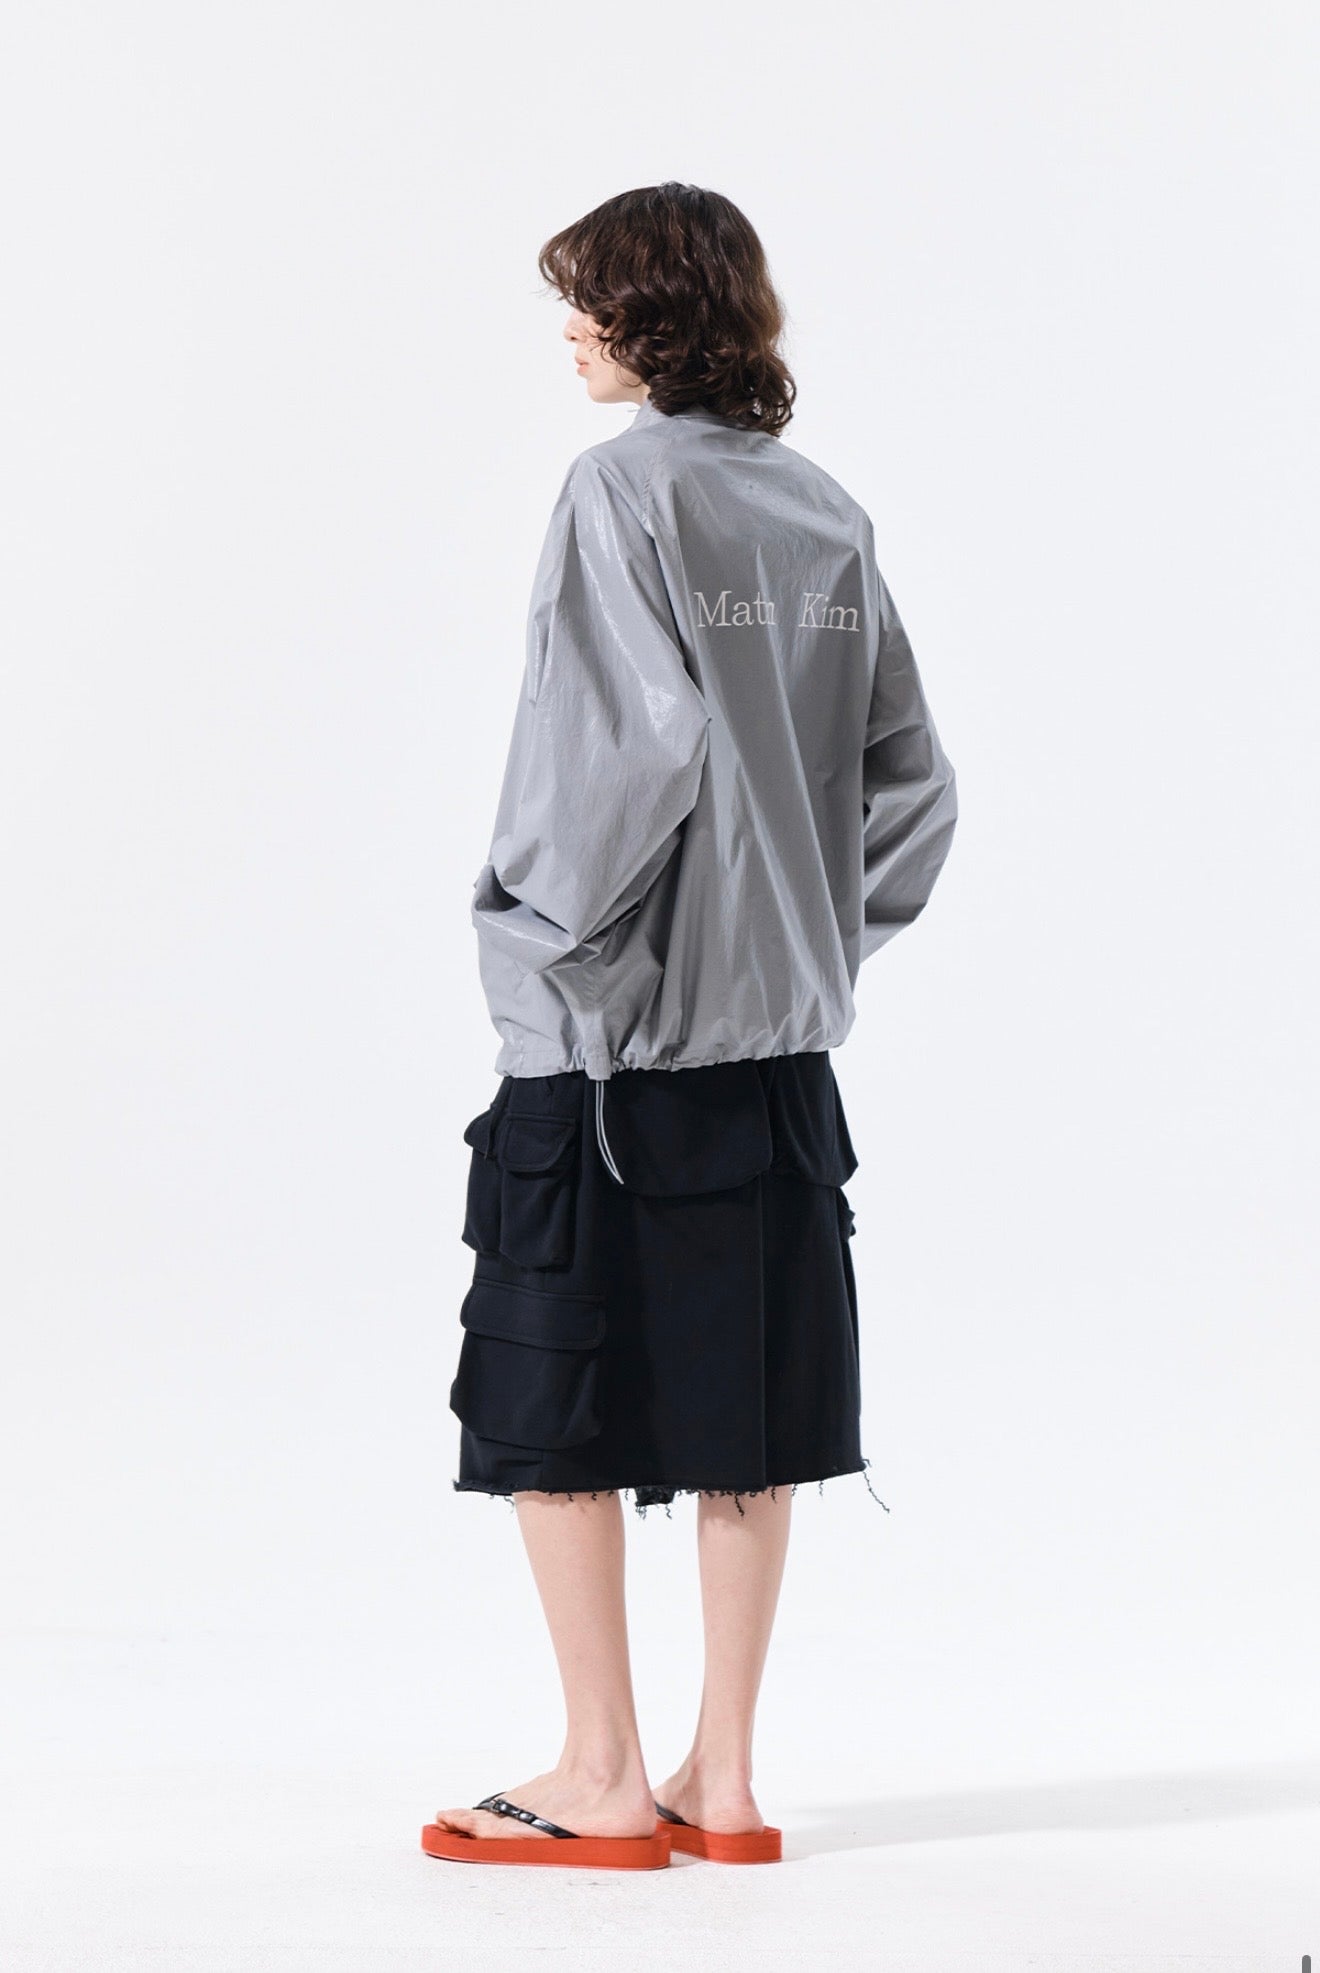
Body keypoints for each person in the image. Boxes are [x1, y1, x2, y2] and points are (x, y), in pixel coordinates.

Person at [423, 183, 958, 1872]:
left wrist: (534, 940)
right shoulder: (822, 511)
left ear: (650, 312)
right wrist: (802, 942)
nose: (569, 329)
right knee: (752, 1404)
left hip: (610, 1046)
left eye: (585, 298)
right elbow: (915, 790)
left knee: (549, 1389)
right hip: (777, 1064)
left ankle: (599, 1771)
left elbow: (620, 761)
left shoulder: (620, 491)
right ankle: (721, 1782)